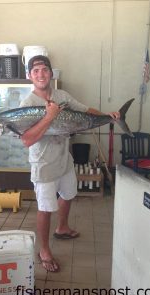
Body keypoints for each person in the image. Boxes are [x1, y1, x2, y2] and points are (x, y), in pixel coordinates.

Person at [19, 55, 120, 272]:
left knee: (69, 194)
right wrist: (50, 115)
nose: (40, 74)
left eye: (44, 69)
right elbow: (27, 139)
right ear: (29, 76)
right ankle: (44, 249)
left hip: (65, 159)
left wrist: (107, 116)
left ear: (51, 74)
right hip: (44, 164)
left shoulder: (61, 95)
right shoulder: (27, 104)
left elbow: (85, 110)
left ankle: (62, 227)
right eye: (35, 71)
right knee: (45, 208)